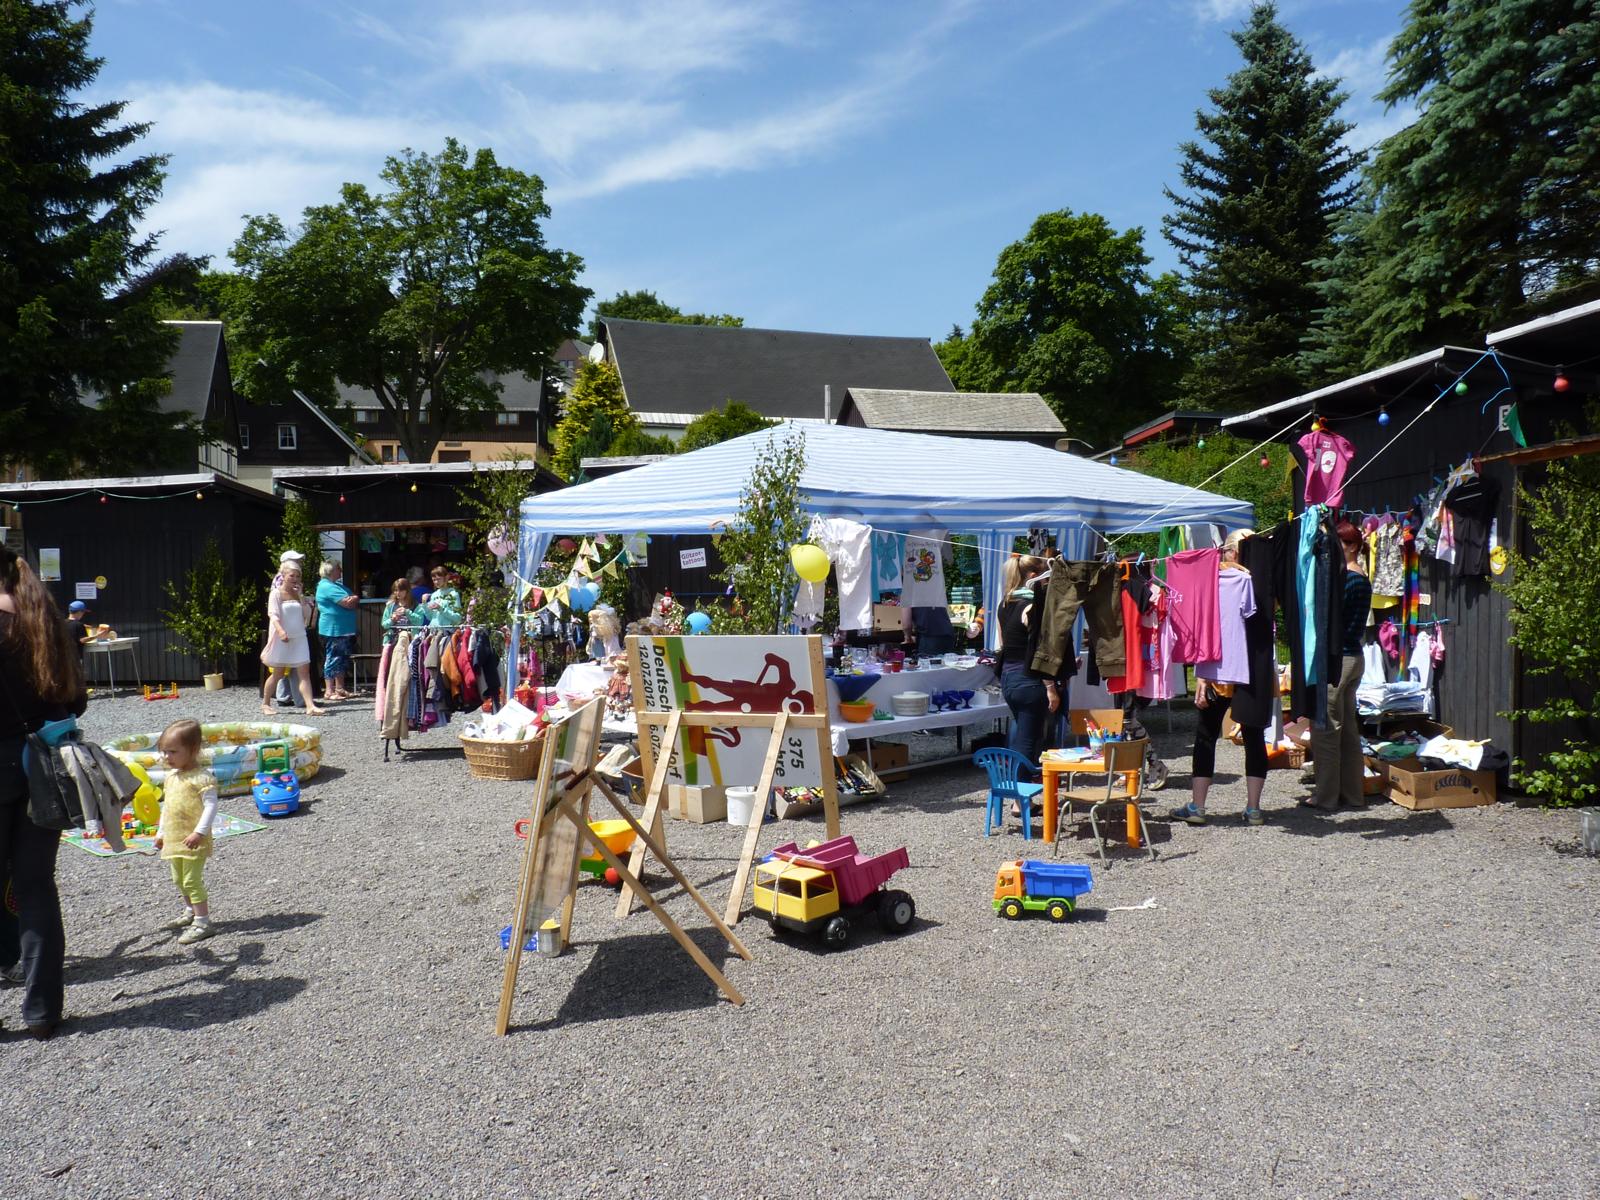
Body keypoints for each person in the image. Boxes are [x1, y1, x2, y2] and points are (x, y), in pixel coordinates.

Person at [0, 545, 87, 1039]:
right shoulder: (43, 621)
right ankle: (42, 1013)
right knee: (36, 889)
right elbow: (74, 700)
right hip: (40, 767)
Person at [1170, 530, 1270, 827]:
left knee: (1206, 736)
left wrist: (1201, 674)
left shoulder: (1207, 581)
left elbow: (1202, 629)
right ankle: (1253, 809)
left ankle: (1198, 806)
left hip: (1214, 670)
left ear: (1228, 551)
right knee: (1253, 737)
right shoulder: (1259, 581)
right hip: (1250, 670)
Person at [1306, 519, 1372, 813]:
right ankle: (1353, 794)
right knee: (1347, 732)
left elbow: (1332, 619)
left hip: (1340, 659)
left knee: (1326, 731)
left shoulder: (1349, 579)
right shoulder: (1361, 576)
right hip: (1354, 657)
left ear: (1354, 547)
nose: (1336, 550)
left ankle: (1326, 796)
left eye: (1341, 545)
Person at [152, 719, 219, 944]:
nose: (166, 757)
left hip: (193, 840)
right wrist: (161, 832)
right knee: (178, 879)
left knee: (191, 880)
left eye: (172, 751)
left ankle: (203, 922)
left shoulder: (202, 778)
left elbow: (211, 807)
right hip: (175, 837)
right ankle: (191, 911)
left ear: (192, 750)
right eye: (164, 752)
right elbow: (168, 807)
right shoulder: (171, 777)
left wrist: (199, 832)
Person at [996, 555, 1060, 771]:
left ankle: (1020, 790)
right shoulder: (1032, 607)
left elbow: (1004, 644)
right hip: (1029, 680)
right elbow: (1040, 651)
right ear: (1034, 577)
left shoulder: (1004, 603)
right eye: (1045, 578)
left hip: (1008, 678)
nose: (1047, 583)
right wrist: (1050, 687)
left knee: (1023, 735)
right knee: (1027, 740)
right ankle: (1018, 801)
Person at [261, 561, 325, 716]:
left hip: (299, 638)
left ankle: (310, 705)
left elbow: (306, 615)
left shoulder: (298, 594)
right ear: (283, 576)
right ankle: (266, 703)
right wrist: (281, 631)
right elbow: (273, 615)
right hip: (283, 638)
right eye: (292, 575)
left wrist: (301, 597)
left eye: (297, 576)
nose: (295, 578)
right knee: (278, 673)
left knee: (304, 672)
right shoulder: (276, 593)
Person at [315, 560, 360, 701]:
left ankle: (339, 688)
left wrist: (353, 598)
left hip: (343, 628)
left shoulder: (336, 586)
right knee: (333, 658)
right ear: (331, 571)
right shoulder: (326, 586)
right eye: (338, 568)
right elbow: (348, 602)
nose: (340, 570)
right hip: (334, 629)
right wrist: (354, 598)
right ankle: (329, 691)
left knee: (342, 658)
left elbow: (351, 600)